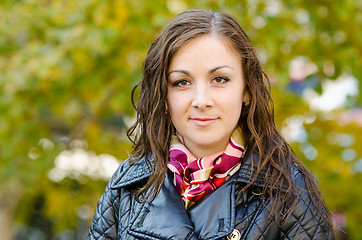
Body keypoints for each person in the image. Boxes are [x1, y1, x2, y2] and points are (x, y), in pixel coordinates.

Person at [88, 9, 335, 240]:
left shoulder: (288, 190)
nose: (201, 100)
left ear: (247, 90)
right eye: (182, 82)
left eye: (220, 79)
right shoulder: (129, 185)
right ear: (163, 96)